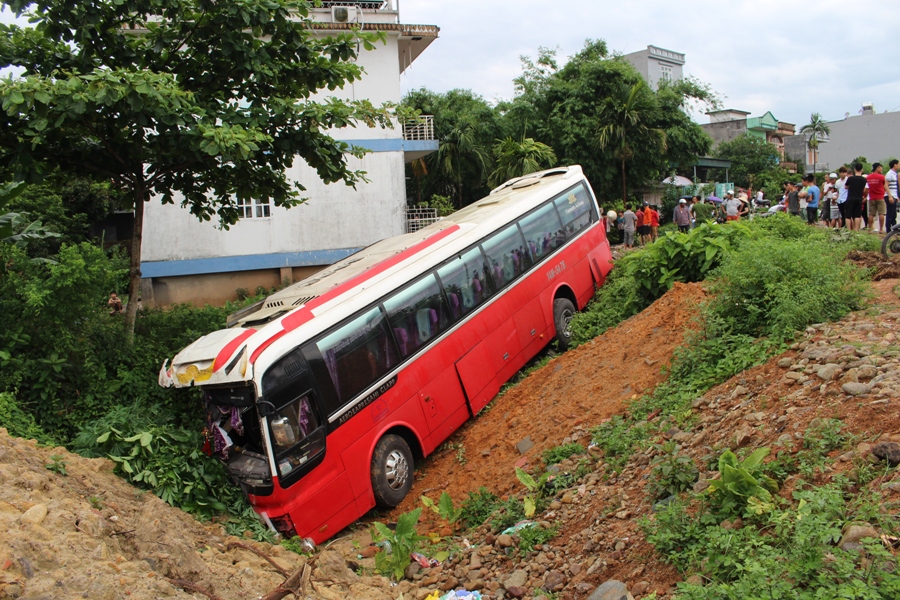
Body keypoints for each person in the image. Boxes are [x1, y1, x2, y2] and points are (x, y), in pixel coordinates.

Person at [845, 163, 868, 231]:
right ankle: (856, 230)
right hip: (859, 198)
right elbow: (864, 189)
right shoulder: (864, 180)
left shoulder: (850, 178)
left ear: (854, 170)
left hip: (850, 198)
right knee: (857, 215)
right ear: (862, 170)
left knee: (848, 215)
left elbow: (846, 186)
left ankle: (849, 229)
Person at [867, 163, 887, 233]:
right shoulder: (881, 177)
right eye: (881, 168)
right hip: (880, 197)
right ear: (877, 168)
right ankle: (881, 229)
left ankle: (869, 229)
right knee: (881, 213)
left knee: (871, 214)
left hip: (871, 197)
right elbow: (885, 185)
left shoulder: (868, 177)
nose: (881, 169)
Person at [887, 159, 900, 232]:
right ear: (895, 165)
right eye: (898, 164)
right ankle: (888, 230)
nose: (899, 166)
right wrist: (890, 196)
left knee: (893, 214)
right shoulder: (890, 174)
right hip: (891, 196)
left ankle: (894, 230)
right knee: (890, 214)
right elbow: (886, 185)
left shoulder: (895, 173)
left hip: (894, 196)